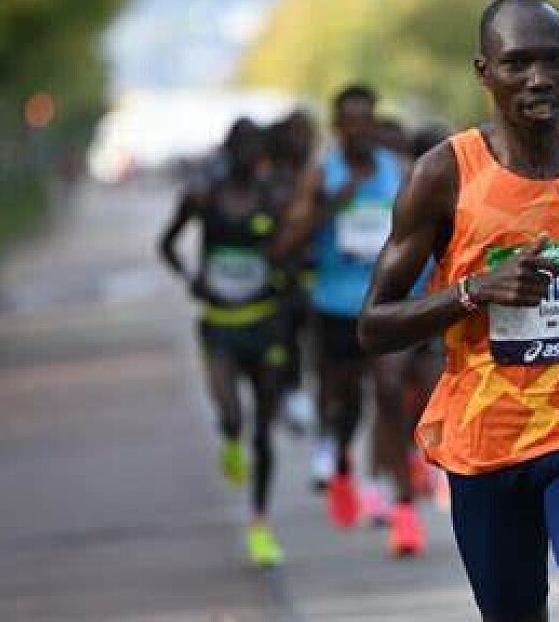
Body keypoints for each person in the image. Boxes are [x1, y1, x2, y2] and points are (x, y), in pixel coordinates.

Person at [357, 0, 559, 621]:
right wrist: (473, 291)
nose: (539, 78)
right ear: (484, 72)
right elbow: (374, 326)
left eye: (553, 60)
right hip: (487, 447)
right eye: (517, 63)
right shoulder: (443, 176)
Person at [273, 85, 425, 556]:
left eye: (366, 120)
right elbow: (285, 244)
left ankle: (402, 508)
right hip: (336, 308)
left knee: (391, 392)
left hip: (388, 304)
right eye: (349, 122)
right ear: (337, 126)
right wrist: (329, 207)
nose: (358, 130)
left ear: (374, 123)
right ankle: (341, 464)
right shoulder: (322, 174)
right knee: (344, 404)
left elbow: (423, 230)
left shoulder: (398, 170)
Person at [158, 118, 289, 567]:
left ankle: (260, 524)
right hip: (219, 325)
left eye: (257, 150)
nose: (251, 157)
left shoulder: (273, 198)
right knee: (233, 416)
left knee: (264, 430)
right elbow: (166, 245)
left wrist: (283, 274)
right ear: (229, 152)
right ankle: (230, 438)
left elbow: (292, 248)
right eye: (243, 149)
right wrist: (191, 278)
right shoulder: (203, 196)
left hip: (264, 323)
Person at [265, 109, 319, 435]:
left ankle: (303, 397)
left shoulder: (320, 174)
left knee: (317, 345)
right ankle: (286, 395)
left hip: (319, 276)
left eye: (307, 133)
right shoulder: (272, 181)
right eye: (296, 134)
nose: (302, 140)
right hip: (281, 280)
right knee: (285, 342)